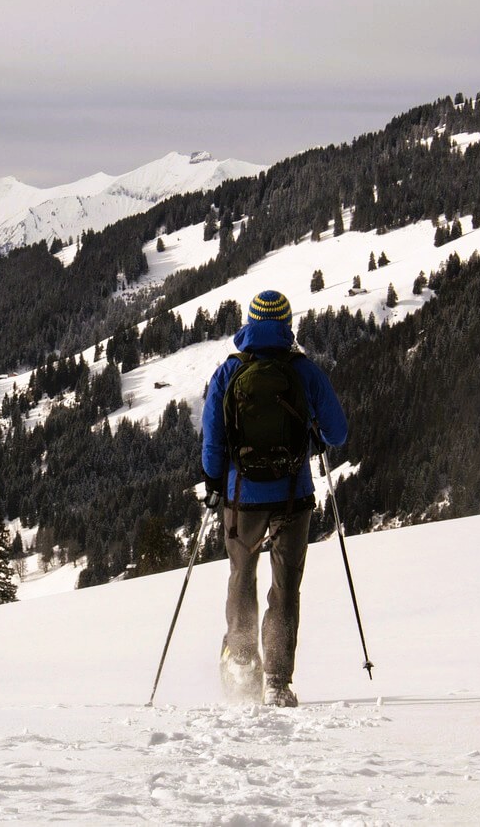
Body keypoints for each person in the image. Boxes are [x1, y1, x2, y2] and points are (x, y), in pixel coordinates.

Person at [201, 290, 347, 707]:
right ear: (286, 325)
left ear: (248, 324)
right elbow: (338, 434)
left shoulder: (230, 371)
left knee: (241, 575)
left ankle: (243, 660)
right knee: (285, 588)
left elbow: (212, 440)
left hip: (241, 497)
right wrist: (312, 437)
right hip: (292, 497)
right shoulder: (303, 371)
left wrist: (214, 483)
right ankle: (278, 681)